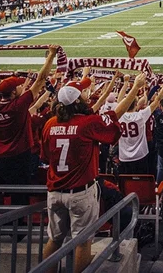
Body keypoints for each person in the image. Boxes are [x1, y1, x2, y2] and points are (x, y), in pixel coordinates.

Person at [41, 72, 145, 273]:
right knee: (82, 241)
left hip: (54, 191)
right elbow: (115, 115)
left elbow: (46, 157)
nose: (86, 94)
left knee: (54, 240)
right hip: (80, 191)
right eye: (83, 92)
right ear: (77, 101)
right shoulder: (87, 123)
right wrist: (135, 88)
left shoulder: (49, 124)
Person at [0, 47, 55, 194]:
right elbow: (41, 79)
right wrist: (51, 55)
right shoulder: (18, 106)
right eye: (18, 86)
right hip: (17, 157)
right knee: (19, 195)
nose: (21, 86)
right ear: (12, 92)